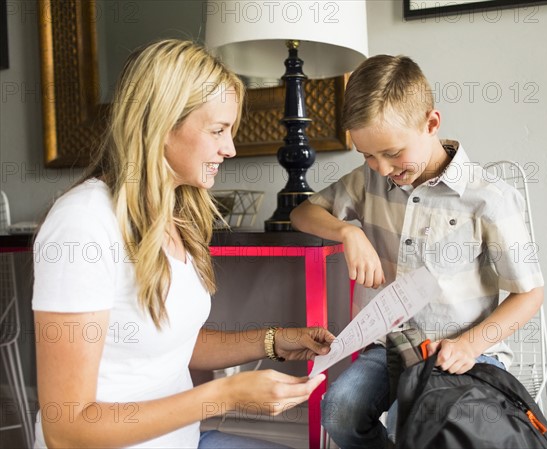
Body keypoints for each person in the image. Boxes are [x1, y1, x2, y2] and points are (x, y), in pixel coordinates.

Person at [32, 39, 333, 449]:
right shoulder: (82, 225)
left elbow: (175, 343)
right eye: (218, 130)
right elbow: (66, 429)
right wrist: (222, 396)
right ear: (162, 123)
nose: (229, 148)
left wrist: (274, 340)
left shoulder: (175, 216)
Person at [290, 54, 544, 449]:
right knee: (340, 411)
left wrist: (471, 344)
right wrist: (347, 233)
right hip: (389, 346)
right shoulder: (367, 182)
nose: (381, 167)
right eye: (367, 155)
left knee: (424, 424)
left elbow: (530, 293)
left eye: (391, 152)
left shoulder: (490, 198)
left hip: (461, 351)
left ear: (431, 123)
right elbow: (303, 213)